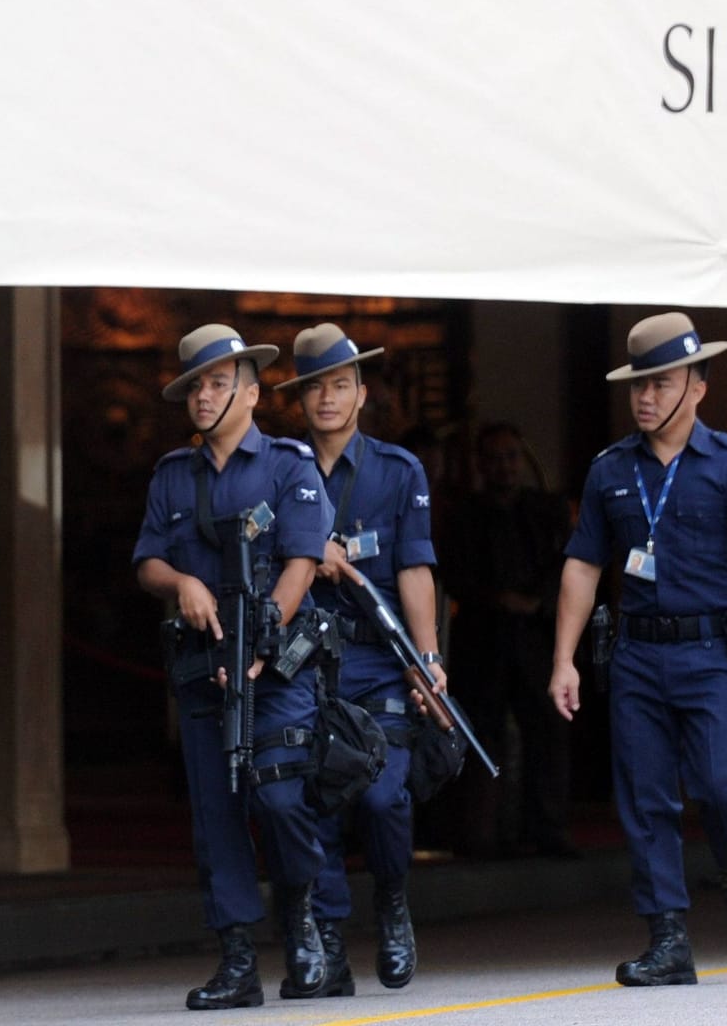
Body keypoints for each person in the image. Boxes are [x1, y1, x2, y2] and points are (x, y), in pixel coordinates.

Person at [550, 312, 727, 987]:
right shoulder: (609, 470)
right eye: (638, 386)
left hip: (714, 651)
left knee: (721, 785)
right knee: (645, 798)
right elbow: (582, 568)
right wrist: (564, 658)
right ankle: (668, 938)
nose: (646, 397)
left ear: (698, 387)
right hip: (637, 657)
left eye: (662, 383)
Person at [133, 324, 336, 1008]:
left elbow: (303, 562)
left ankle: (303, 922)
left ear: (251, 393)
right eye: (195, 384)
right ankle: (238, 959)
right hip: (201, 665)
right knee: (216, 813)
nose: (203, 395)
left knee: (279, 798)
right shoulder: (172, 475)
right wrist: (180, 586)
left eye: (218, 382)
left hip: (274, 668)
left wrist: (264, 636)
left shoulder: (287, 464)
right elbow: (148, 561)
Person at [277, 323, 443, 994]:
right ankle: (332, 947)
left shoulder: (397, 471)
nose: (327, 400)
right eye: (315, 388)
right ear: (299, 399)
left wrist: (426, 655)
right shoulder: (279, 469)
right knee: (311, 805)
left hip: (377, 662)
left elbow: (415, 571)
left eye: (339, 387)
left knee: (381, 797)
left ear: (362, 394)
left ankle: (394, 906)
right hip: (302, 664)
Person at [445, 422, 575, 859]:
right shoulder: (463, 514)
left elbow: (565, 566)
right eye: (495, 458)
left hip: (536, 636)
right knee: (482, 734)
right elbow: (455, 575)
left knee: (547, 730)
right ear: (482, 464)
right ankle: (481, 834)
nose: (504, 467)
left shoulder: (547, 510)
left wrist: (537, 603)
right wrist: (500, 600)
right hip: (483, 638)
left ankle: (547, 828)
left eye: (511, 457)